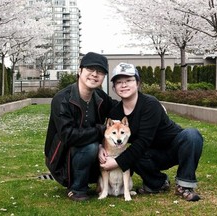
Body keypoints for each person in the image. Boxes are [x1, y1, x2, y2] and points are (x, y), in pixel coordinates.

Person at [99, 62, 203, 201]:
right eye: (119, 82)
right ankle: (158, 183)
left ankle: (184, 185)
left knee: (192, 135)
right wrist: (100, 147)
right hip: (149, 154)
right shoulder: (116, 112)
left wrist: (117, 162)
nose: (124, 85)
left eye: (129, 80)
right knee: (133, 155)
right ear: (114, 87)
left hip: (173, 147)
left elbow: (144, 140)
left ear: (137, 83)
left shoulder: (150, 104)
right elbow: (110, 134)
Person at [44, 52, 117, 201]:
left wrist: (148, 105)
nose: (95, 74)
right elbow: (68, 136)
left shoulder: (100, 96)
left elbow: (120, 109)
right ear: (79, 71)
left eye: (100, 71)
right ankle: (77, 188)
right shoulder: (62, 99)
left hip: (88, 150)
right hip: (62, 157)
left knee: (119, 138)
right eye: (90, 69)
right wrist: (101, 132)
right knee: (90, 147)